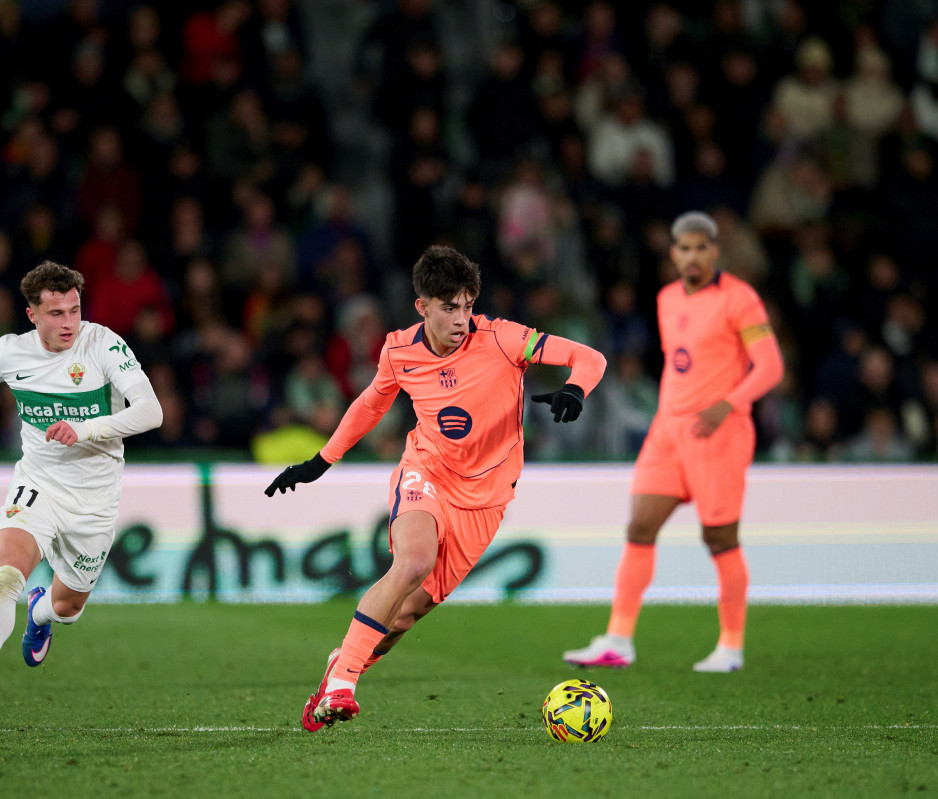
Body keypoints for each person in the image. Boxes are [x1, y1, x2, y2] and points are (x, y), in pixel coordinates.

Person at [265, 245, 607, 730]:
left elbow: (587, 356)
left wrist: (576, 388)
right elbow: (371, 403)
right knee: (413, 560)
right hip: (426, 473)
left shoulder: (504, 339)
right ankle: (344, 685)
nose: (462, 318)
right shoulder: (398, 350)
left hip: (486, 498)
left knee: (401, 620)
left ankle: (340, 667)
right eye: (449, 307)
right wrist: (322, 460)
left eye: (468, 305)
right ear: (422, 306)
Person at [0, 261, 163, 726]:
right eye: (56, 313)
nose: (68, 323)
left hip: (95, 498)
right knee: (5, 578)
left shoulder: (103, 344)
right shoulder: (9, 353)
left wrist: (85, 429)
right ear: (31, 314)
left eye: (74, 310)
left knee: (68, 607)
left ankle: (39, 612)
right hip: (37, 484)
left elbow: (151, 412)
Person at [562, 212, 784, 673]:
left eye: (702, 247)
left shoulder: (739, 299)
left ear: (715, 250)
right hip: (669, 432)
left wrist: (729, 402)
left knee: (719, 536)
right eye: (684, 248)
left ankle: (731, 646)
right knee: (640, 527)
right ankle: (618, 640)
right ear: (673, 253)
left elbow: (770, 367)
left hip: (718, 431)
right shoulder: (666, 298)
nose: (693, 256)